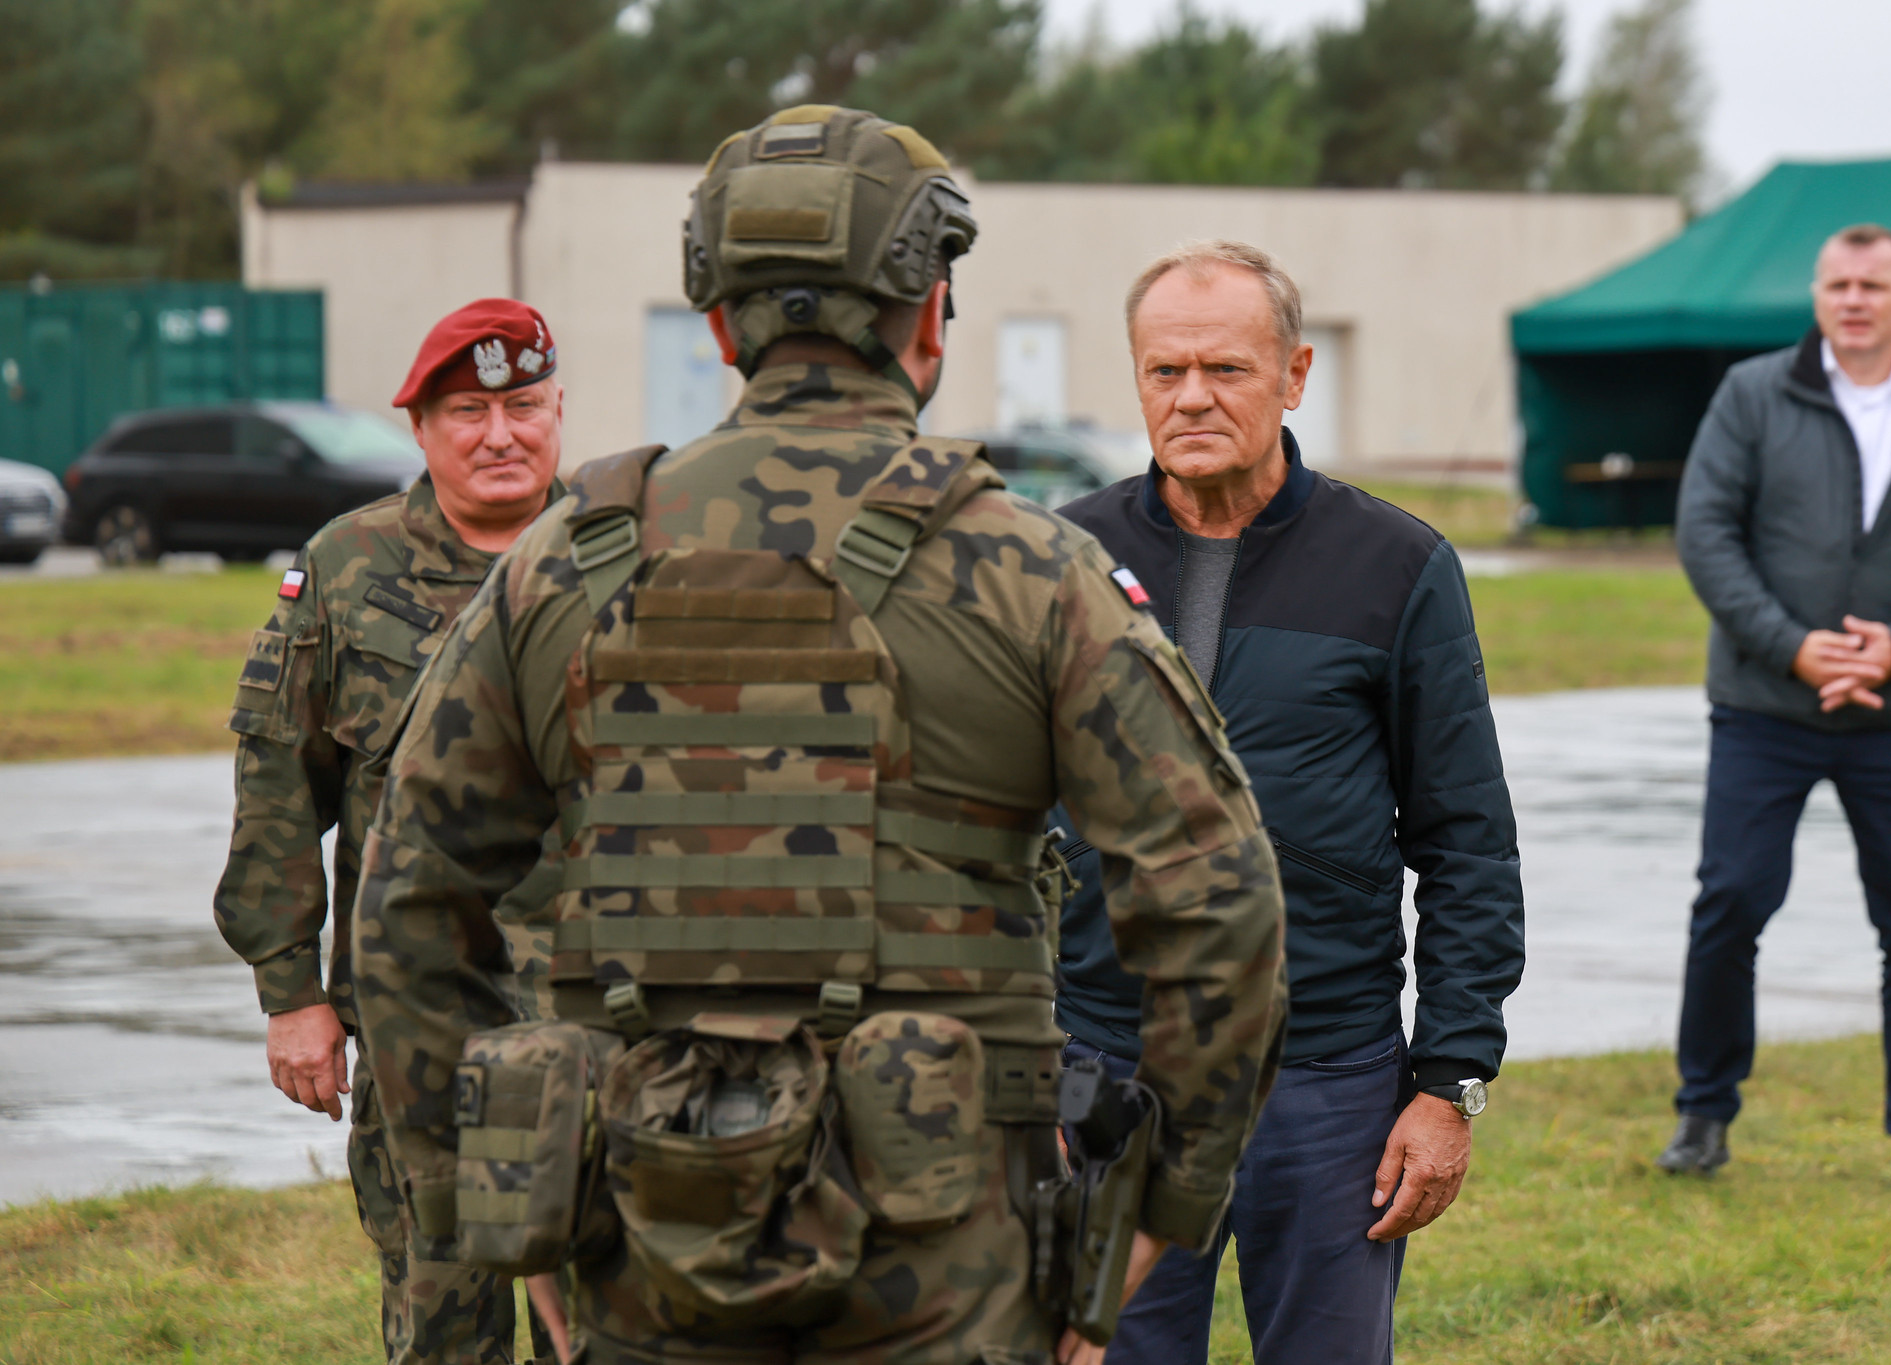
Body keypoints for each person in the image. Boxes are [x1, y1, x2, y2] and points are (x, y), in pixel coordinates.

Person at [350, 107, 1288, 1365]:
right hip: (956, 1271)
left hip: (643, 1247)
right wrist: (1144, 1232)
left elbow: (407, 906)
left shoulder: (557, 568)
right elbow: (1218, 907)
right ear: (929, 316)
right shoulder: (1033, 572)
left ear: (721, 324)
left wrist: (501, 1216)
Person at [1051, 240, 1525, 1365]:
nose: (1192, 396)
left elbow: (1466, 841)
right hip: (1107, 1069)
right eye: (1164, 372)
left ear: (1294, 375)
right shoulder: (1056, 558)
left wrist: (1447, 1083)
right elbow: (989, 823)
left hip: (1323, 1078)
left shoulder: (1395, 564)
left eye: (1225, 368)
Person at [214, 297, 568, 1363]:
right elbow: (277, 784)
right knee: (444, 1324)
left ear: (559, 410)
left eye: (524, 406)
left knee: (605, 1326)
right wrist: (292, 997)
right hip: (424, 1031)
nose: (499, 434)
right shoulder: (345, 569)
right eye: (467, 411)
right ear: (418, 427)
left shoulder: (625, 553)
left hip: (601, 1025)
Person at [1663, 224, 1891, 1196]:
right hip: (1760, 703)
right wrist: (1791, 643)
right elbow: (1704, 530)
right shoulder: (1750, 393)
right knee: (1728, 904)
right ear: (1815, 297)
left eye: (1873, 284)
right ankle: (1701, 1117)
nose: (1853, 299)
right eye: (1836, 284)